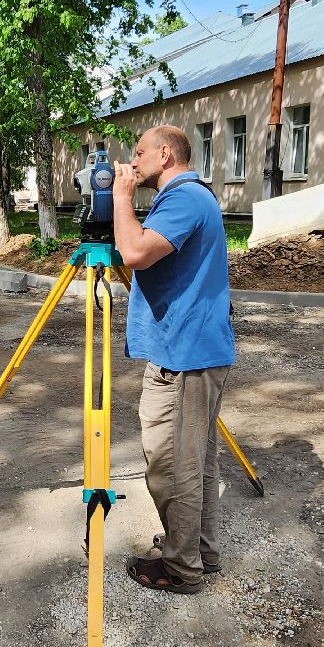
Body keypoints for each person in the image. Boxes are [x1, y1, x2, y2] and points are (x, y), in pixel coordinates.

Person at [112, 125, 236, 594]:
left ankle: (182, 569)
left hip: (185, 356)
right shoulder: (191, 196)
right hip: (194, 350)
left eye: (140, 153)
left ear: (165, 154)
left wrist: (122, 197)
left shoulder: (184, 197)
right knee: (197, 464)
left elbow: (134, 252)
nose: (134, 161)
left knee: (171, 467)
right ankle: (199, 552)